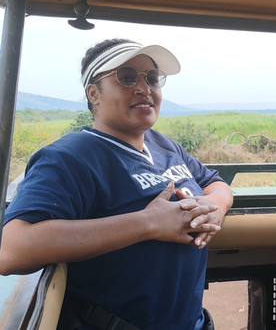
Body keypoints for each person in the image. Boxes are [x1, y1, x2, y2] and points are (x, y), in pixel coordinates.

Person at [0, 38, 233, 330]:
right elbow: (13, 249)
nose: (144, 88)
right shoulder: (70, 158)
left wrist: (214, 207)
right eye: (127, 77)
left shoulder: (164, 145)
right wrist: (148, 222)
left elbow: (215, 183)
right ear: (94, 93)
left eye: (152, 78)